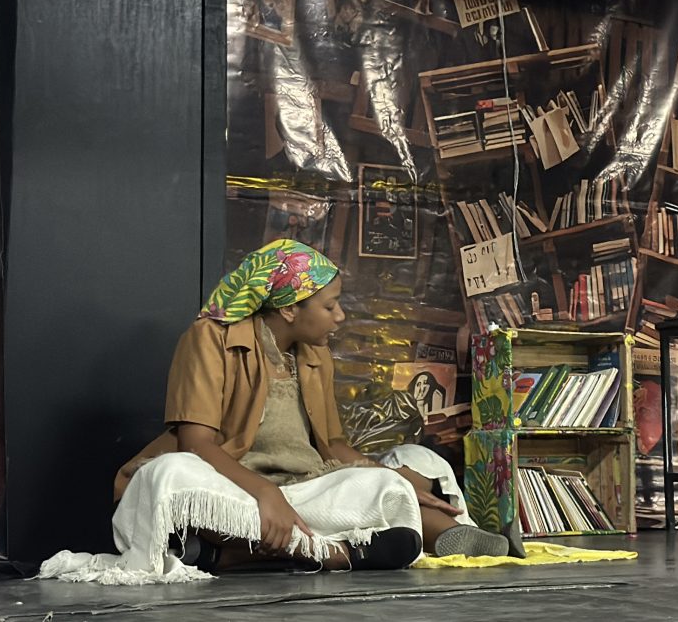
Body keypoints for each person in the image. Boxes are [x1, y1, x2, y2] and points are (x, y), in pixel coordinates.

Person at [103, 240, 513, 578]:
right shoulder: (210, 338)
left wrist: (393, 478)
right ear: (289, 309)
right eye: (330, 306)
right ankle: (329, 552)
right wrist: (266, 494)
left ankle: (237, 556)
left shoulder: (316, 355)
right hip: (236, 490)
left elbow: (333, 446)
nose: (341, 316)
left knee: (391, 483)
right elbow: (196, 443)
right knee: (169, 472)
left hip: (303, 488)